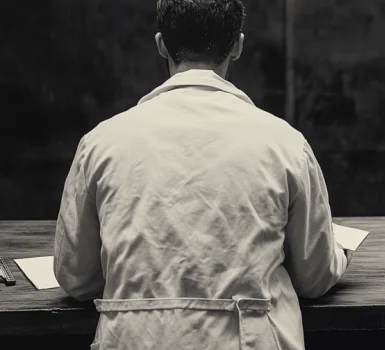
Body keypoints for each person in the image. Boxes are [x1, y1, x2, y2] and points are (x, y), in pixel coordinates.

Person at [52, 0, 353, 348]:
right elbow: (315, 277)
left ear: (161, 44)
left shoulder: (100, 143)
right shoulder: (285, 143)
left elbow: (76, 277)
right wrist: (340, 253)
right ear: (237, 45)